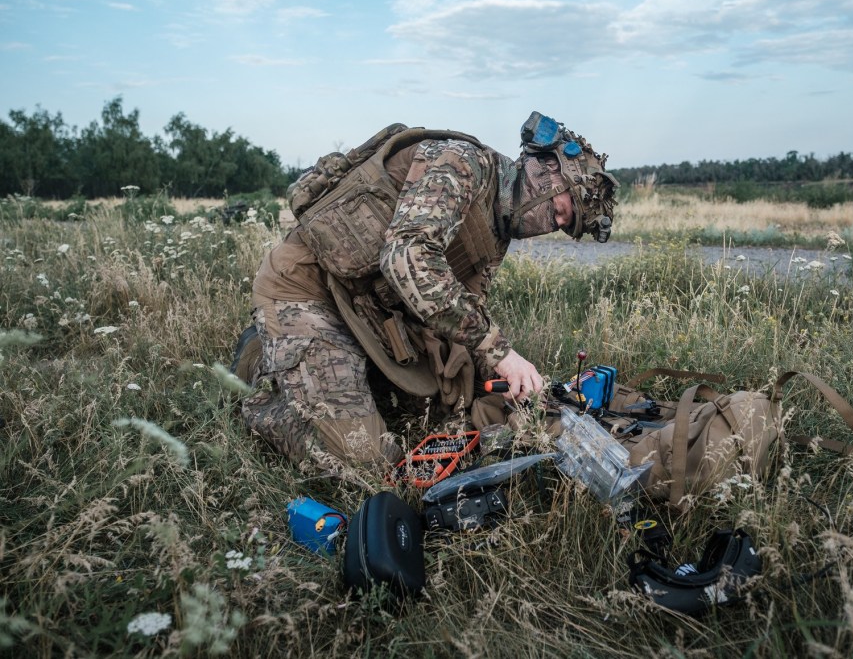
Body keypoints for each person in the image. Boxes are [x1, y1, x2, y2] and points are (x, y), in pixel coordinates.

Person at [234, 111, 618, 472]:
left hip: (368, 312)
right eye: (560, 210)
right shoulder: (461, 163)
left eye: (563, 225)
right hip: (307, 290)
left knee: (453, 402)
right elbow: (406, 258)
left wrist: (514, 383)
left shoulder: (496, 232)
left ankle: (325, 370)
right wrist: (501, 353)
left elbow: (462, 311)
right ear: (545, 167)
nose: (553, 224)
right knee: (367, 460)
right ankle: (263, 380)